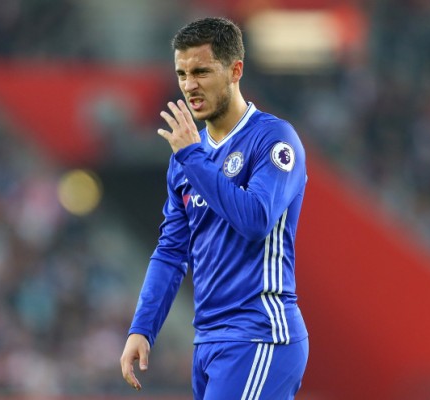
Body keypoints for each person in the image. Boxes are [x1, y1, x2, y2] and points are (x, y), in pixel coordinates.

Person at [120, 16, 309, 399]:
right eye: (182, 74)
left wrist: (193, 157)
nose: (189, 85)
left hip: (261, 334)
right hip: (209, 339)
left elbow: (256, 220)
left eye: (201, 72)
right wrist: (142, 327)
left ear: (235, 70)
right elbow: (171, 251)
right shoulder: (185, 159)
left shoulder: (273, 139)